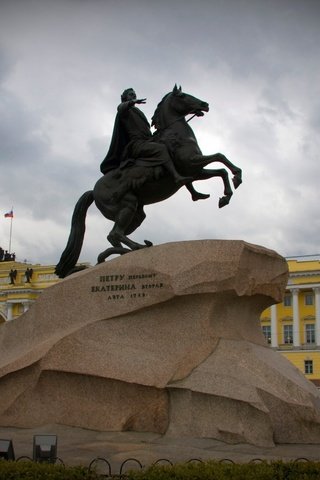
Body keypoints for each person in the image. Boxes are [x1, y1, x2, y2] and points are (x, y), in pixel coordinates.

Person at [100, 88, 194, 194]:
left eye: (134, 95)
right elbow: (120, 108)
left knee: (173, 150)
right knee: (161, 149)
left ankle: (193, 192)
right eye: (131, 95)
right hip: (137, 144)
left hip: (147, 140)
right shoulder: (125, 111)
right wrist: (131, 102)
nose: (133, 96)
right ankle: (176, 176)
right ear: (125, 97)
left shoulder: (138, 112)